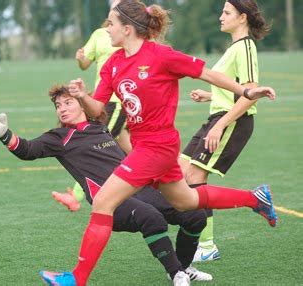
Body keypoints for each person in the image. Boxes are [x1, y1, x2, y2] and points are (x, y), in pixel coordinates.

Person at [39, 1, 277, 285]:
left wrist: (246, 89)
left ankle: (76, 279)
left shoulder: (161, 56)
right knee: (186, 200)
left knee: (103, 201)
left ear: (127, 29)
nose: (107, 29)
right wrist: (81, 96)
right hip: (143, 146)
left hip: (159, 146)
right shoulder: (113, 64)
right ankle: (255, 199)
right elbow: (98, 110)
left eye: (111, 23)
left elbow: (208, 74)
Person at [0, 85, 212, 285]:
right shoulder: (59, 137)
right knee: (151, 218)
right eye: (58, 105)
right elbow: (27, 150)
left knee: (195, 215)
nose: (62, 108)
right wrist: (4, 134)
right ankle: (176, 274)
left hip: (137, 189)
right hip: (109, 202)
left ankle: (185, 267)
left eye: (67, 102)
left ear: (82, 104)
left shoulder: (102, 126)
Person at [178, 0, 272, 262]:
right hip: (216, 117)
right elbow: (234, 88)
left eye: (226, 12)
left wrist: (220, 125)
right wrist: (210, 95)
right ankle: (253, 201)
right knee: (180, 171)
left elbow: (251, 92)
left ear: (242, 18)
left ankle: (206, 247)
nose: (221, 17)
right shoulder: (234, 47)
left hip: (231, 122)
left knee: (195, 177)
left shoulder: (245, 47)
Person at [52, 0, 131, 213]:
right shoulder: (99, 34)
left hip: (119, 100)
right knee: (131, 150)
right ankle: (157, 180)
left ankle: (75, 196)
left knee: (98, 141)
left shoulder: (129, 34)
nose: (115, 7)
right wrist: (81, 58)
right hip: (100, 99)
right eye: (113, 4)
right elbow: (86, 63)